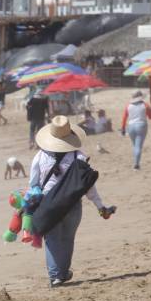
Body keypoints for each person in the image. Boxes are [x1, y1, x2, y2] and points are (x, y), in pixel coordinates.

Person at [30, 116, 114, 287]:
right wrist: (100, 207)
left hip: (49, 204)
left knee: (52, 240)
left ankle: (56, 276)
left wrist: (27, 206)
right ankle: (62, 273)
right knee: (67, 239)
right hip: (73, 205)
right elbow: (88, 186)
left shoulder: (40, 156)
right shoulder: (79, 157)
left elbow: (33, 184)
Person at [121, 90, 151, 170]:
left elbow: (124, 118)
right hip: (141, 125)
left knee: (135, 145)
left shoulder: (128, 105)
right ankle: (136, 164)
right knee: (138, 146)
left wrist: (123, 128)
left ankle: (136, 161)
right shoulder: (145, 105)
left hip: (131, 126)